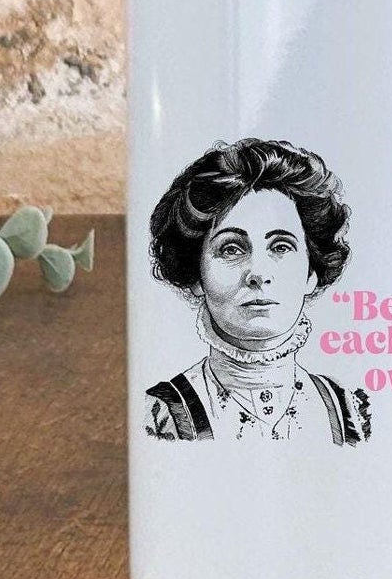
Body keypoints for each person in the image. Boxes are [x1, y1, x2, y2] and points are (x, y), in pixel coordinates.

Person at [143, 137, 370, 444]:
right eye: (231, 249)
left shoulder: (349, 412)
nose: (259, 274)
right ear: (196, 275)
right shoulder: (159, 416)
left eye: (281, 247)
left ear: (311, 272)